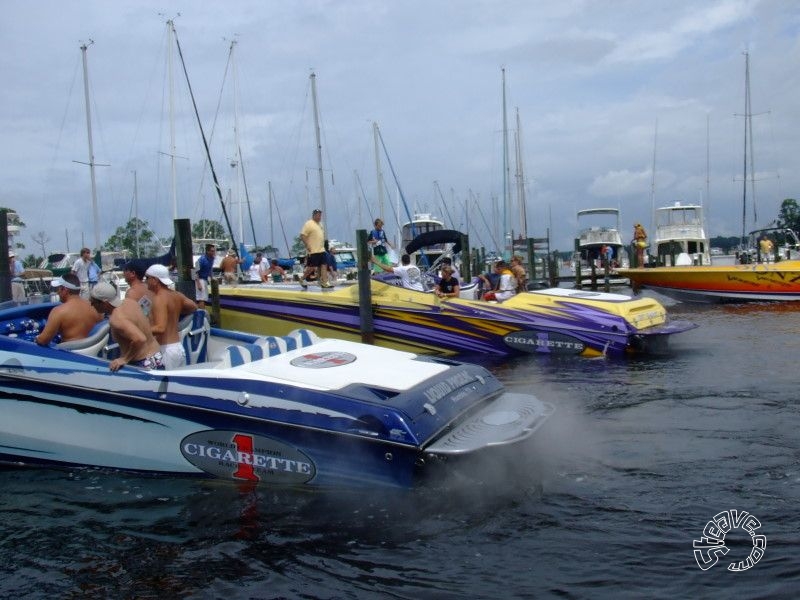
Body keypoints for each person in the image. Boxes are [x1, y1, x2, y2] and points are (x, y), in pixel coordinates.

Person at [90, 281, 164, 371]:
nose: (91, 305)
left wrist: (124, 359)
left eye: (93, 302)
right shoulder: (130, 302)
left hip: (144, 363)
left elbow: (140, 339)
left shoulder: (116, 319)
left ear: (105, 303)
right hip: (157, 356)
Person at [145, 264, 197, 370]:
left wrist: (139, 331)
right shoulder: (176, 295)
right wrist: (175, 311)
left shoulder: (159, 299)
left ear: (155, 280)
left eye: (147, 278)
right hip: (177, 348)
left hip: (166, 350)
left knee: (166, 386)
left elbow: (160, 328)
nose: (145, 281)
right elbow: (193, 307)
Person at [35, 273, 102, 346]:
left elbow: (43, 340)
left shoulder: (58, 311)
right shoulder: (95, 307)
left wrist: (35, 338)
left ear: (64, 290)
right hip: (91, 350)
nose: (57, 292)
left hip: (70, 353)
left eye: (58, 289)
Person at [299, 208, 330, 288]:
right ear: (314, 215)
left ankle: (324, 282)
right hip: (313, 250)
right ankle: (302, 279)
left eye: (320, 215)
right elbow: (303, 235)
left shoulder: (320, 224)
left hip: (321, 249)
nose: (319, 217)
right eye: (318, 215)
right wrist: (307, 245)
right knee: (312, 267)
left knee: (324, 265)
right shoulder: (309, 223)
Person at [195, 244, 215, 309]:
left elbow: (210, 269)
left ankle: (201, 312)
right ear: (207, 251)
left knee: (204, 298)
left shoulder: (212, 258)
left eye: (214, 251)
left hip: (205, 279)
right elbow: (195, 272)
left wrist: (212, 278)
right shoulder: (201, 259)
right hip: (200, 279)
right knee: (201, 298)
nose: (213, 252)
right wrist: (198, 284)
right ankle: (202, 314)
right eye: (212, 251)